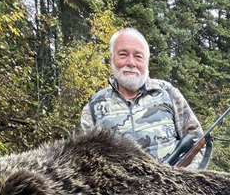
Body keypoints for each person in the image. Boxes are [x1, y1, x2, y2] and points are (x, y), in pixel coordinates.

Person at [80, 28, 209, 169]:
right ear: (112, 58)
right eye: (123, 54)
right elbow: (85, 162)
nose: (131, 62)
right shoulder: (93, 107)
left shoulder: (168, 93)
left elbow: (199, 142)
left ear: (147, 61)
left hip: (174, 186)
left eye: (138, 56)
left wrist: (182, 181)